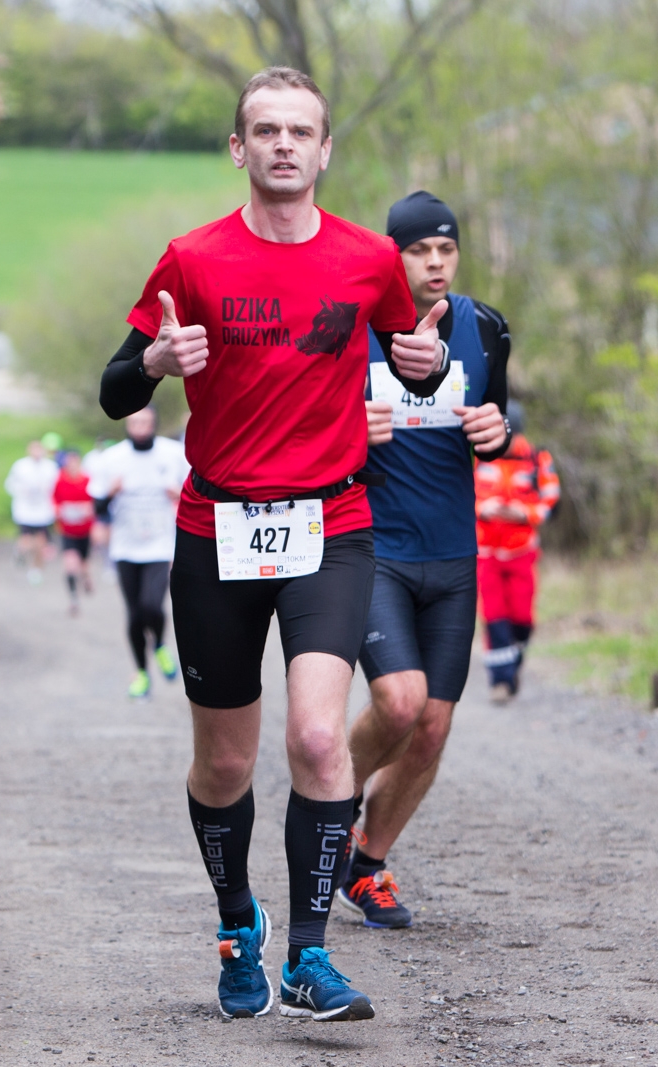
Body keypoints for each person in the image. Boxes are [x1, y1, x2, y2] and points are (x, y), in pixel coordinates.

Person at [98, 66, 450, 1023]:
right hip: (215, 527)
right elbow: (117, 389)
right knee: (222, 764)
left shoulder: (369, 258)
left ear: (325, 150)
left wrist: (429, 362)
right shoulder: (193, 259)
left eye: (301, 130)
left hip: (329, 524)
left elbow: (415, 357)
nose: (284, 144)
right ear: (239, 148)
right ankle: (234, 921)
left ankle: (309, 955)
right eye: (266, 130)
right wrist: (158, 363)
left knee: (318, 736)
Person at [337, 191, 511, 930]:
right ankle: (330, 795)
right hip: (376, 547)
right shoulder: (350, 330)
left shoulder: (487, 329)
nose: (434, 262)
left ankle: (367, 865)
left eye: (446, 249)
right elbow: (311, 430)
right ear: (392, 254)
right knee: (399, 702)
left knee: (433, 726)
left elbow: (498, 422)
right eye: (418, 250)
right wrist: (353, 432)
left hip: (453, 554)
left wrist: (497, 431)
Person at [87, 406, 188, 697]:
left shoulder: (173, 454)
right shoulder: (112, 459)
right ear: (127, 424)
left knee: (152, 606)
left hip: (159, 545)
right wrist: (111, 493)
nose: (140, 427)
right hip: (125, 547)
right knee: (133, 615)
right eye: (135, 421)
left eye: (146, 421)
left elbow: (195, 495)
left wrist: (178, 496)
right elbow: (98, 510)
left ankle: (158, 644)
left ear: (154, 423)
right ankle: (142, 673)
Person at [474, 400, 560, 703]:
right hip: (486, 551)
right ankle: (501, 682)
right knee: (494, 614)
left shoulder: (537, 459)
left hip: (522, 550)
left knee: (522, 617)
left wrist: (525, 514)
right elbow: (461, 495)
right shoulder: (479, 459)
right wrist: (485, 508)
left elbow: (551, 498)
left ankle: (514, 664)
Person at [4, 440, 59, 585]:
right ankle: (20, 554)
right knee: (26, 541)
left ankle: (36, 569)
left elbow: (57, 486)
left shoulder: (50, 467)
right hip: (25, 511)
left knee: (41, 542)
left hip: (43, 511)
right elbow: (10, 484)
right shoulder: (20, 466)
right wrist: (22, 491)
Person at [51, 449, 96, 615]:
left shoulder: (88, 480)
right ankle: (73, 599)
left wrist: (88, 509)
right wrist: (58, 511)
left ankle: (87, 578)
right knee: (70, 564)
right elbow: (54, 501)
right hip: (67, 531)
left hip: (85, 530)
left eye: (74, 461)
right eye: (68, 462)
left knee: (83, 563)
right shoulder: (59, 480)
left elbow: (96, 503)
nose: (71, 465)